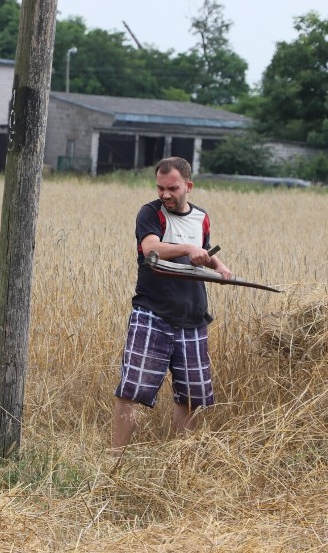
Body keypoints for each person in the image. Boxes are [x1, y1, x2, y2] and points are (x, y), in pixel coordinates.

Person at [111, 156, 232, 455]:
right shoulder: (150, 213)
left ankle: (180, 463)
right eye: (160, 187)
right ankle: (114, 460)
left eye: (172, 188)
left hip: (192, 316)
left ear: (188, 186)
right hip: (152, 312)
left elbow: (202, 251)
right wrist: (189, 249)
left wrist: (220, 265)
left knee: (191, 396)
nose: (165, 194)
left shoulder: (201, 217)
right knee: (133, 389)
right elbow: (151, 248)